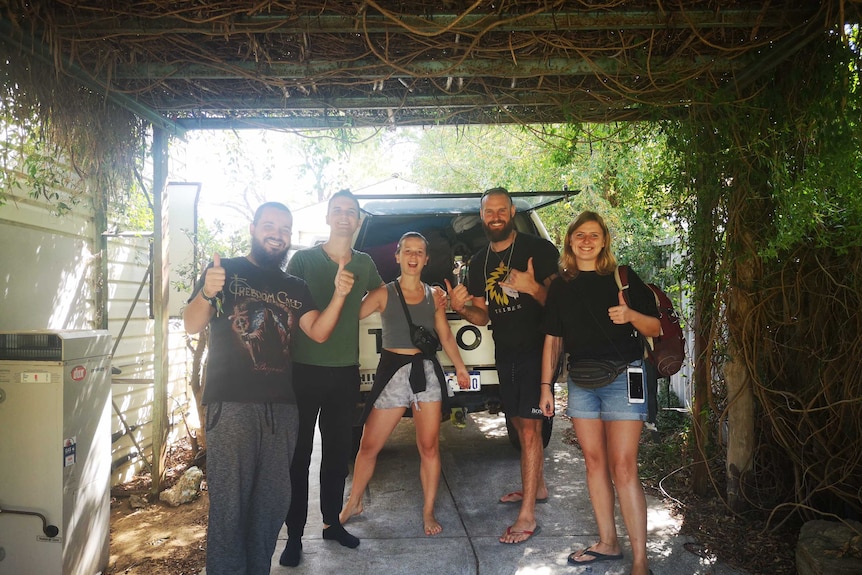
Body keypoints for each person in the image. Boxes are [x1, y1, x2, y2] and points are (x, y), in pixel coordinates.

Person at [183, 202, 354, 575]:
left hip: (281, 408)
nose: (277, 234)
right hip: (231, 406)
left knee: (271, 505)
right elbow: (192, 324)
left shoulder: (295, 286)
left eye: (285, 229)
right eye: (270, 226)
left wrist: (340, 296)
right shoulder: (224, 271)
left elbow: (320, 332)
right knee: (231, 507)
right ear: (253, 227)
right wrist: (207, 293)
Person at [539, 211, 659, 575]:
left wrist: (630, 316)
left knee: (623, 467)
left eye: (594, 235)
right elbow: (552, 340)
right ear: (570, 241)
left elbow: (655, 326)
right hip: (582, 382)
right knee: (594, 465)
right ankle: (608, 543)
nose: (587, 241)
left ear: (604, 240)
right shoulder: (560, 285)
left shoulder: (622, 278)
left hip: (625, 377)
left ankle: (640, 561)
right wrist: (545, 386)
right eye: (580, 235)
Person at [445, 187, 559, 544]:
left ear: (511, 212)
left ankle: (528, 515)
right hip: (505, 352)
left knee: (529, 431)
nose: (495, 216)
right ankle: (536, 488)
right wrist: (462, 308)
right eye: (488, 211)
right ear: (482, 217)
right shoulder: (478, 262)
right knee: (518, 421)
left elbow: (558, 306)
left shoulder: (539, 250)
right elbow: (482, 315)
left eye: (501, 210)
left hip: (537, 351)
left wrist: (531, 287)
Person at [339, 232, 470, 536]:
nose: (413, 257)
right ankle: (353, 503)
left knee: (428, 447)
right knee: (369, 445)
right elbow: (350, 316)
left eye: (419, 252)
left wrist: (461, 368)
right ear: (397, 256)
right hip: (393, 373)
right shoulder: (383, 293)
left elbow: (446, 335)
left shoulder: (433, 296)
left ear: (426, 259)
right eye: (407, 251)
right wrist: (343, 286)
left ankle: (428, 511)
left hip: (425, 372)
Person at [280, 189, 384, 567]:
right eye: (338, 211)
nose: (344, 217)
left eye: (351, 212)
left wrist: (355, 310)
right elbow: (286, 305)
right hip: (304, 370)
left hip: (345, 372)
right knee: (299, 455)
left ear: (357, 221)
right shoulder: (304, 260)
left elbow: (381, 292)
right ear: (328, 217)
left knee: (339, 454)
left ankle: (330, 523)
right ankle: (293, 535)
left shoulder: (365, 262)